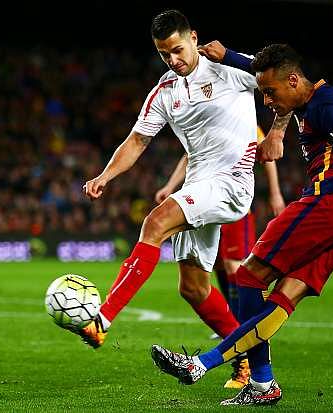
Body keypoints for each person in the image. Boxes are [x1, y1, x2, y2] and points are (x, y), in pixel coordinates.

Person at [150, 43, 333, 406]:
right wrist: (230, 57)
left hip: (330, 202)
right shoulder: (308, 98)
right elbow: (263, 69)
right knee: (284, 297)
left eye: (270, 93)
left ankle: (213, 368)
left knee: (248, 277)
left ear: (294, 81)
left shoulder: (326, 106)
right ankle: (260, 386)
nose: (266, 101)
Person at [77, 8, 290, 368]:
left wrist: (277, 132)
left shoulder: (229, 68)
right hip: (199, 183)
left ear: (193, 38)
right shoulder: (164, 91)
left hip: (231, 183)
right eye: (164, 54)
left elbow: (287, 82)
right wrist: (104, 176)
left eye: (177, 50)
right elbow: (137, 141)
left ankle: (103, 318)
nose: (173, 60)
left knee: (155, 222)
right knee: (192, 288)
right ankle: (247, 362)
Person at [154, 125, 285, 388]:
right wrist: (171, 185)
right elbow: (189, 154)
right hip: (204, 200)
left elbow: (267, 158)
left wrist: (275, 193)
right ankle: (234, 328)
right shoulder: (207, 115)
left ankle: (244, 340)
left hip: (232, 200)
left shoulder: (245, 119)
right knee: (214, 270)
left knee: (235, 266)